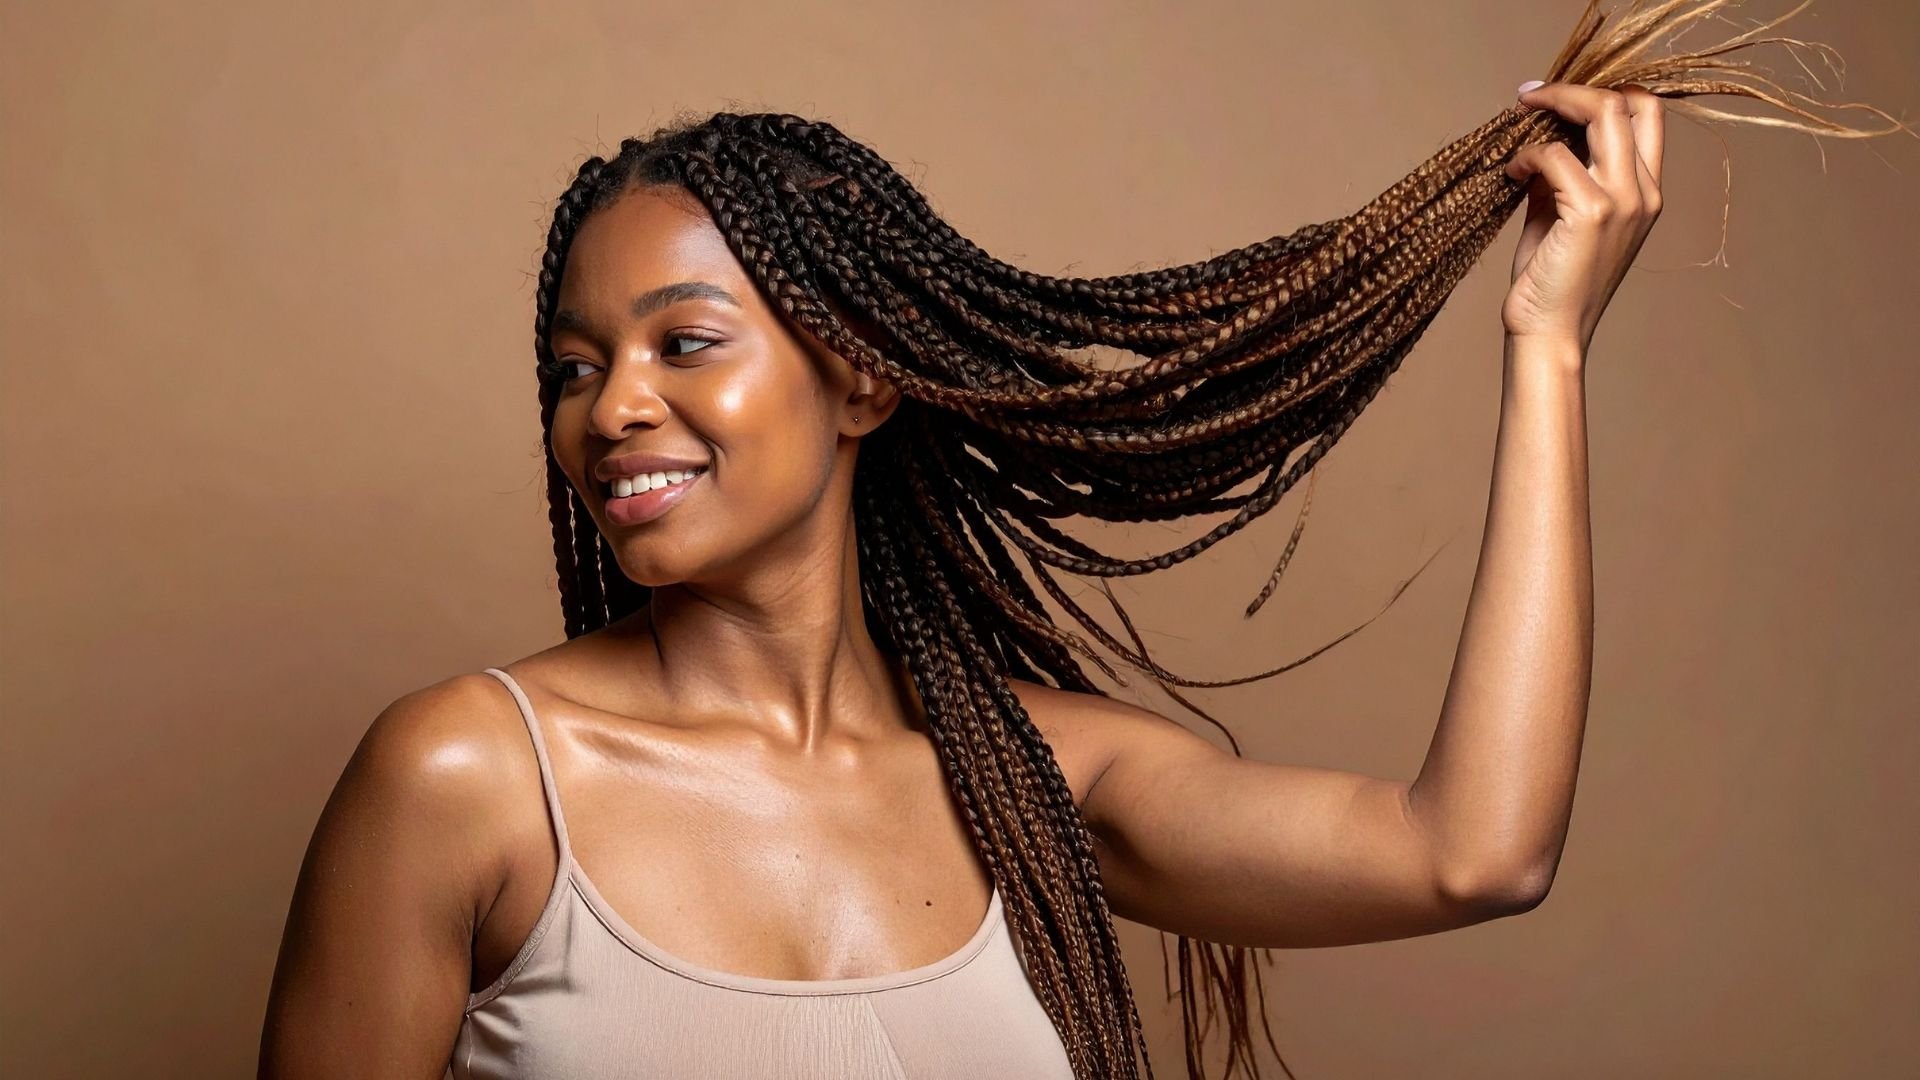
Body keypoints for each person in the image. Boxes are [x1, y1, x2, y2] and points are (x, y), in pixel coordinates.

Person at [259, 4, 1901, 1073]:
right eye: (572, 363)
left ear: (860, 375)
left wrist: (1546, 345)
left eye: (684, 342)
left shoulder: (1036, 785)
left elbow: (1475, 852)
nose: (611, 407)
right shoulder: (469, 780)